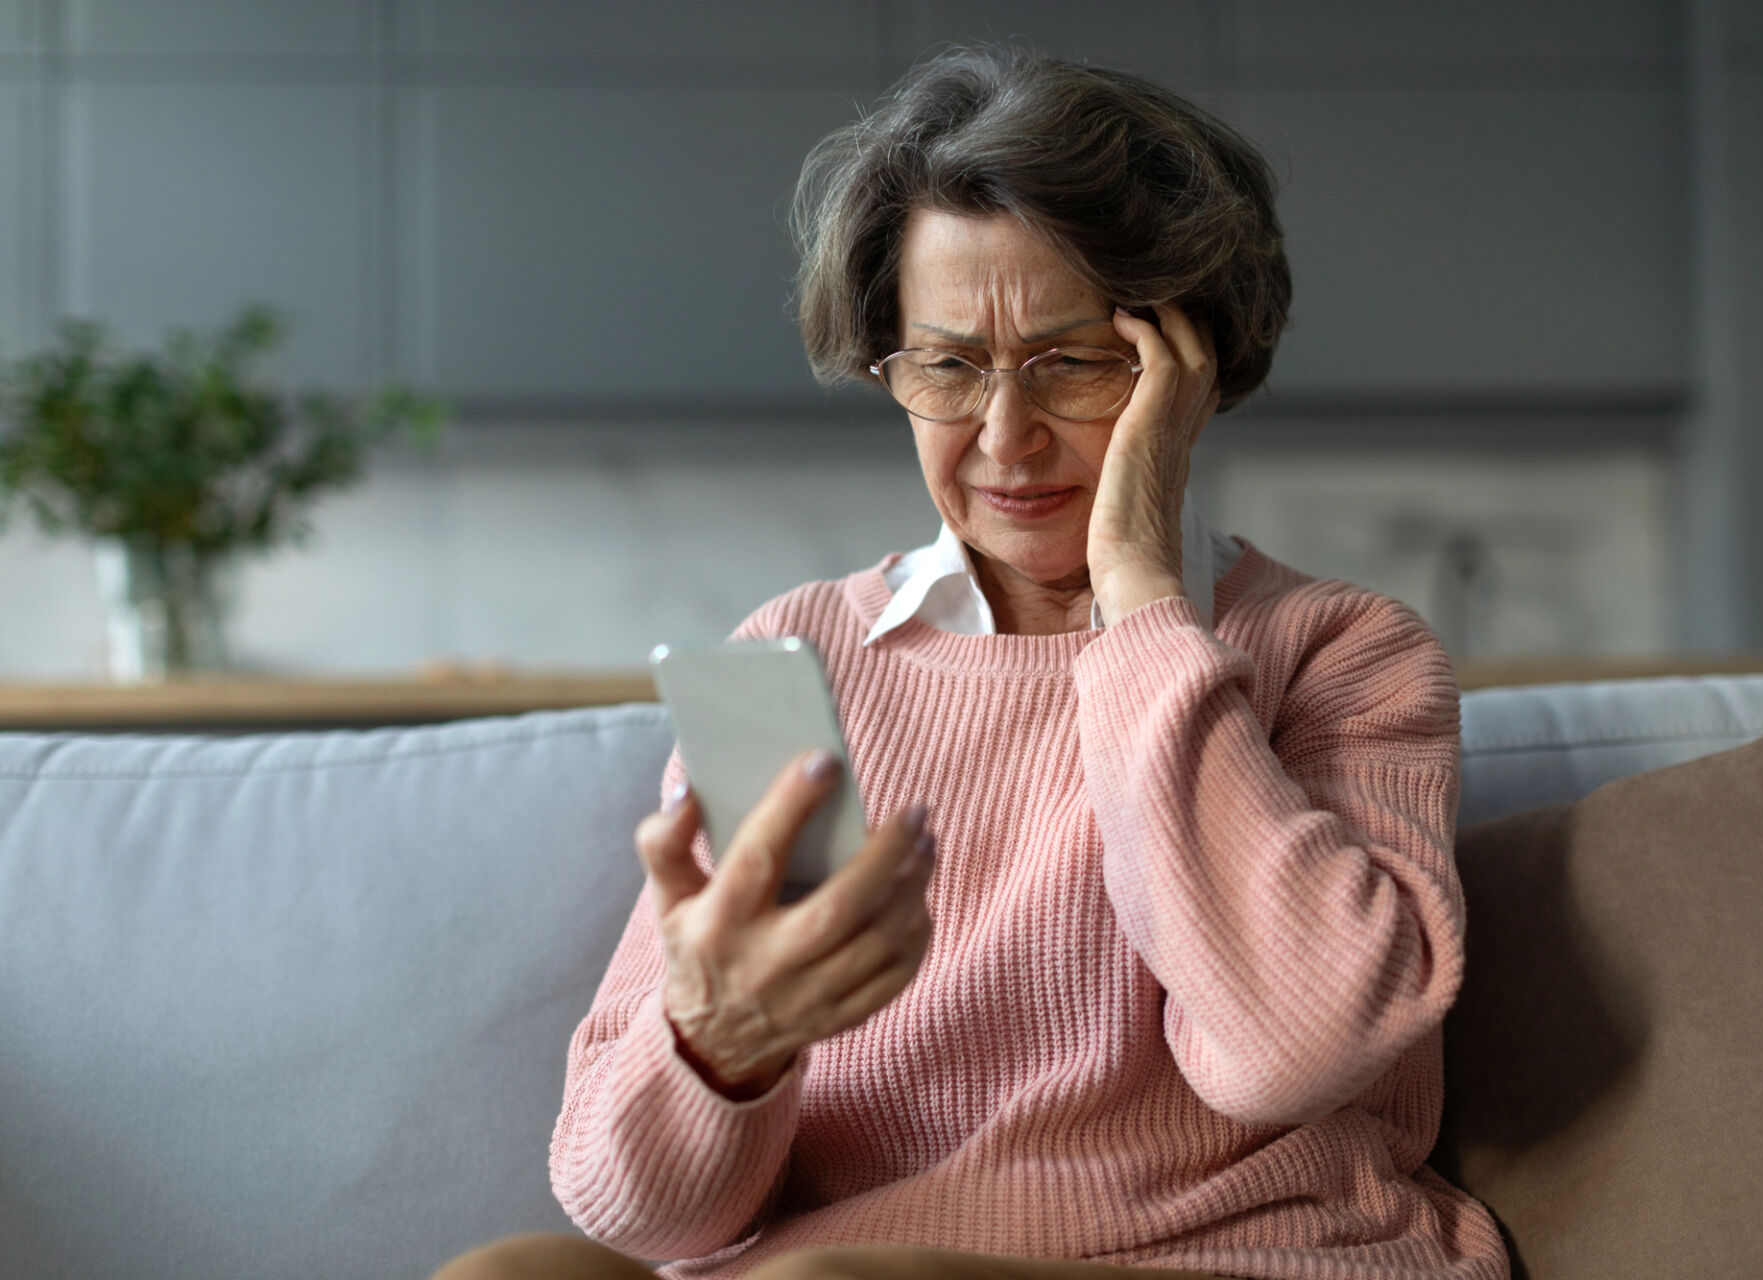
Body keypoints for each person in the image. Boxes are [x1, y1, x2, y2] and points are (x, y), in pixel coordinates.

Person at [435, 45, 1508, 1280]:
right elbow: (637, 1215)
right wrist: (722, 1044)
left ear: (1192, 368)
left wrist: (1140, 596)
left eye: (1073, 362)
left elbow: (1296, 1046)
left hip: (1228, 1252)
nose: (1006, 437)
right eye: (947, 366)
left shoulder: (1345, 653)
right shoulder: (804, 655)